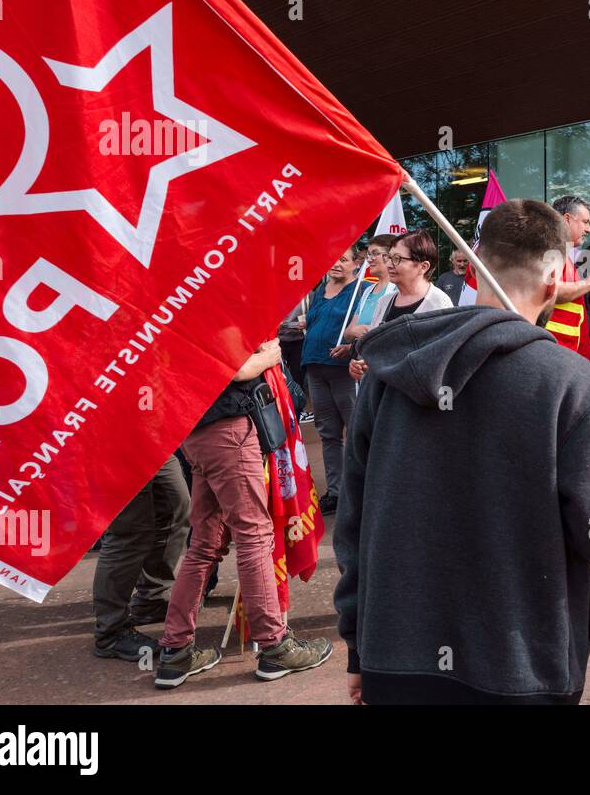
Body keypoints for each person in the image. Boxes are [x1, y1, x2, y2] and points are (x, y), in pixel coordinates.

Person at [335, 199, 590, 704]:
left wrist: (357, 645)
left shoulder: (388, 374)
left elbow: (352, 523)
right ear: (552, 282)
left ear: (474, 267)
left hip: (395, 657)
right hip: (522, 668)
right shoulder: (574, 384)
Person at [155, 339, 332, 688]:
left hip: (198, 429)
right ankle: (274, 647)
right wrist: (268, 355)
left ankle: (175, 651)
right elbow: (234, 370)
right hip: (227, 428)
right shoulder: (205, 304)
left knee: (205, 544)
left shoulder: (175, 307)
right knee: (254, 537)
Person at [92, 454, 189, 660]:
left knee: (175, 506)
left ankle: (151, 600)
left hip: (152, 440)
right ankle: (110, 632)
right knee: (127, 532)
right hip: (114, 444)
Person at [301, 245, 365, 514]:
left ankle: (359, 492)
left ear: (355, 263)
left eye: (343, 259)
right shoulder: (320, 291)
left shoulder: (360, 292)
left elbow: (361, 328)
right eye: (332, 258)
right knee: (328, 434)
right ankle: (336, 492)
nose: (336, 263)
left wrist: (351, 349)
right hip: (315, 368)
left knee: (355, 430)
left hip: (342, 370)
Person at [346, 229, 455, 382]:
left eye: (397, 259)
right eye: (389, 257)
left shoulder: (439, 304)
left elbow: (440, 363)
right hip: (382, 396)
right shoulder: (384, 302)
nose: (389, 264)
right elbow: (376, 350)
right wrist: (364, 365)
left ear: (423, 266)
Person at [544, 195, 590, 357]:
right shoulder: (550, 249)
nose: (589, 230)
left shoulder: (562, 252)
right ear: (567, 219)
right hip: (556, 351)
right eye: (585, 222)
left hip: (565, 351)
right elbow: (552, 290)